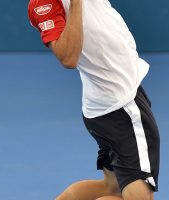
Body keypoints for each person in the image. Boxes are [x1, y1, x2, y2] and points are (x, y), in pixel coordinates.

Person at [28, 0, 160, 199]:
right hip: (121, 106)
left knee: (112, 188)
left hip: (105, 106)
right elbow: (68, 58)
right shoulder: (44, 3)